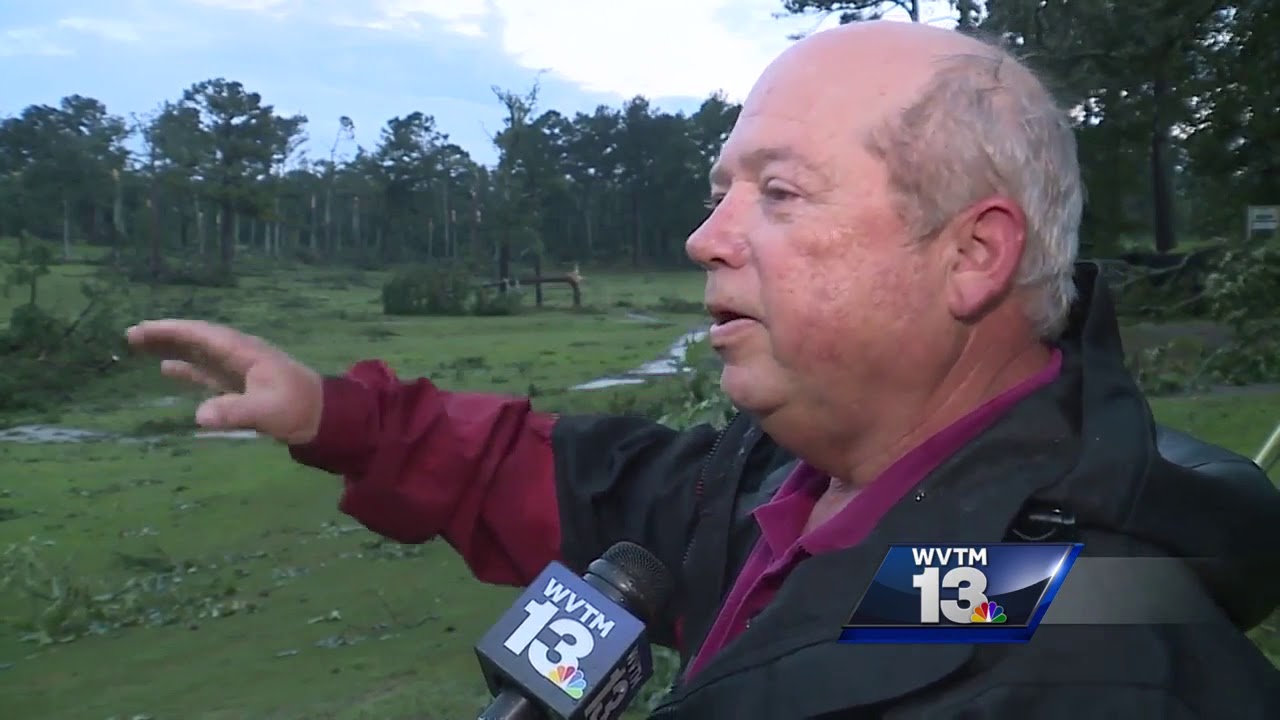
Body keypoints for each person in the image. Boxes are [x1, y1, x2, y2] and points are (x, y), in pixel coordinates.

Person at [127, 20, 1280, 720]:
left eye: (776, 195)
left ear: (970, 254)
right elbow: (592, 489)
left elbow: (890, 642)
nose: (705, 237)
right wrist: (337, 415)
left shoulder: (1088, 651)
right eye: (722, 188)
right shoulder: (786, 488)